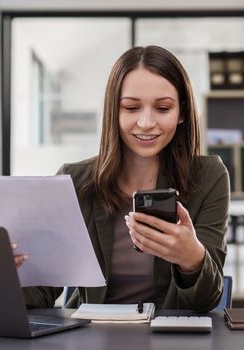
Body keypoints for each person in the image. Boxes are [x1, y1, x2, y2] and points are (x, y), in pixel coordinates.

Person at [14, 45, 229, 312]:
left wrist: (192, 258)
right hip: (90, 336)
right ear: (113, 112)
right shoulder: (73, 180)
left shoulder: (209, 177)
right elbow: (42, 293)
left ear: (181, 113)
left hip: (166, 338)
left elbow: (206, 302)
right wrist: (14, 272)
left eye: (162, 108)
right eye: (131, 107)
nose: (146, 122)